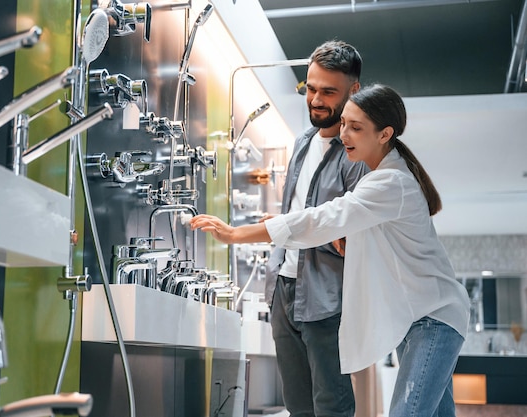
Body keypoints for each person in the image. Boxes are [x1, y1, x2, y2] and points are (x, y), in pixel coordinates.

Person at [191, 84, 470, 417]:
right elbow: (344, 227)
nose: (344, 134)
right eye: (344, 124)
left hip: (434, 318)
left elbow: (324, 218)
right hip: (414, 320)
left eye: (356, 127)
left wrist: (238, 234)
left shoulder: (391, 182)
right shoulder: (379, 180)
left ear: (384, 135)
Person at [255, 40, 370, 417]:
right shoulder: (302, 142)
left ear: (354, 90)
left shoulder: (358, 153)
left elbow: (359, 228)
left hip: (326, 296)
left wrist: (347, 235)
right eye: (311, 88)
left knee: (331, 405)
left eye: (328, 92)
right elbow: (298, 211)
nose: (316, 100)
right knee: (297, 406)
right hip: (284, 288)